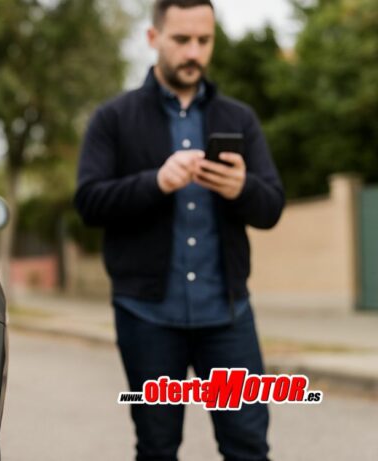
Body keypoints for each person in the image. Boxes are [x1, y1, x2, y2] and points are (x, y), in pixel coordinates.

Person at [73, 1, 285, 460]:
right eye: (182, 40)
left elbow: (271, 207)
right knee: (157, 448)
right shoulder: (112, 118)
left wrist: (242, 188)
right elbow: (88, 203)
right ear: (153, 39)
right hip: (146, 317)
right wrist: (156, 182)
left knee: (249, 447)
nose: (193, 52)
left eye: (203, 41)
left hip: (227, 316)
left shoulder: (240, 118)